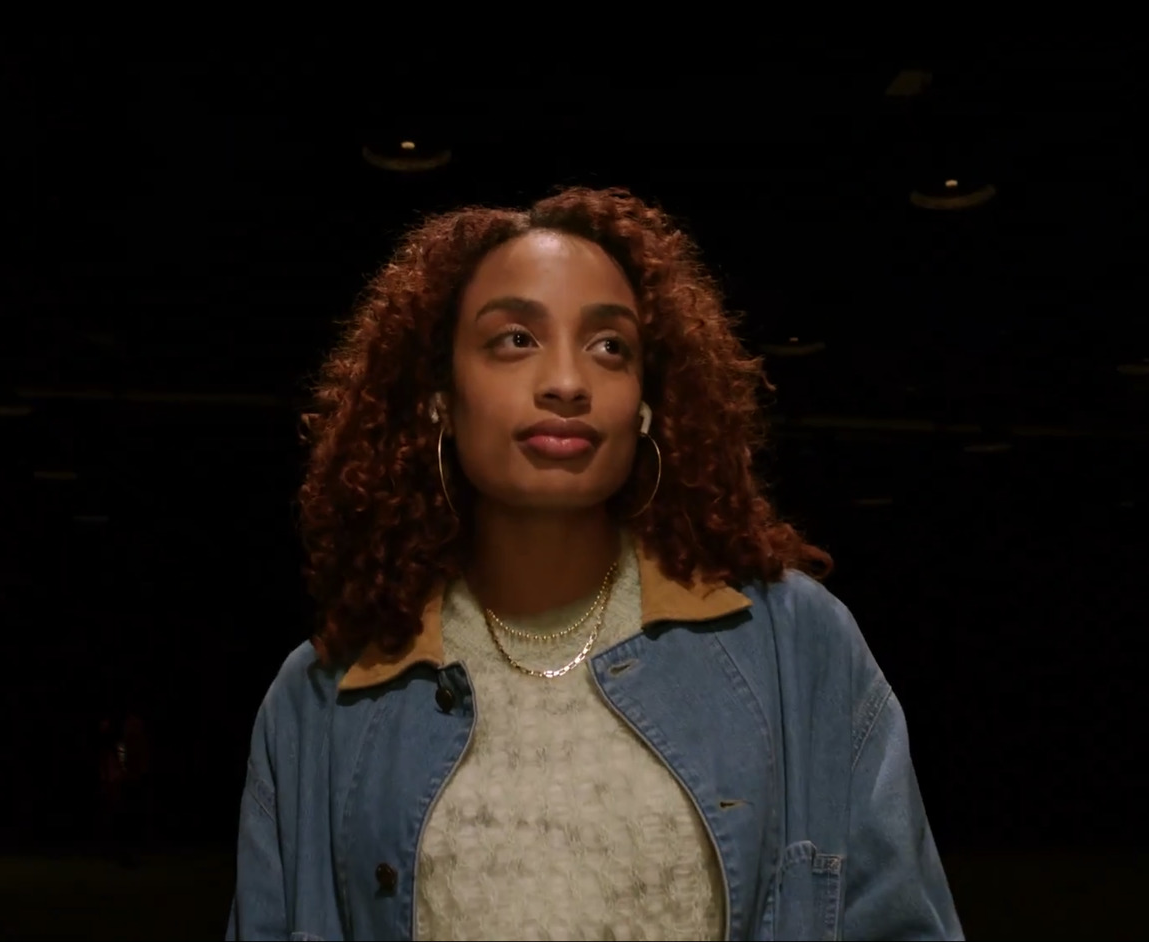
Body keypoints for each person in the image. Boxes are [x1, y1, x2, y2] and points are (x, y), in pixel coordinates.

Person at [227, 187, 963, 941]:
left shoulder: (797, 646)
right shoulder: (319, 705)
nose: (568, 383)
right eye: (515, 339)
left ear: (646, 405)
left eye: (611, 347)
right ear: (439, 396)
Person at [96, 702, 152, 867]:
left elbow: (134, 758)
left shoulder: (129, 739)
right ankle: (121, 851)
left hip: (128, 779)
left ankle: (128, 851)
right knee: (120, 816)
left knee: (128, 816)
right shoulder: (118, 743)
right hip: (122, 779)